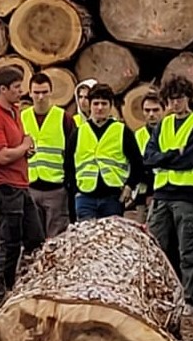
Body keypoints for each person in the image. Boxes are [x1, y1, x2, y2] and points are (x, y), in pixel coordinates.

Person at [143, 75, 193, 306]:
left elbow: (189, 160)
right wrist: (172, 153)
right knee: (157, 247)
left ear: (188, 98)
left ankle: (190, 298)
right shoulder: (164, 123)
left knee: (187, 249)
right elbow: (148, 158)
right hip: (162, 194)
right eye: (171, 99)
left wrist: (164, 158)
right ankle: (162, 295)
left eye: (179, 98)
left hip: (186, 195)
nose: (175, 104)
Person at [0, 64, 42, 296]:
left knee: (36, 237)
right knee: (9, 242)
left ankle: (25, 285)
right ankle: (2, 292)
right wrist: (24, 146)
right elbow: (2, 155)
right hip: (3, 186)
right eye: (16, 87)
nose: (21, 91)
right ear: (3, 89)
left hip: (20, 184)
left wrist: (26, 147)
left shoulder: (15, 112)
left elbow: (19, 142)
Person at [70, 84, 140, 220]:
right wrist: (75, 191)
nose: (100, 108)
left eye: (104, 103)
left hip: (113, 197)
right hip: (85, 197)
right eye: (96, 103)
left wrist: (129, 187)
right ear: (89, 105)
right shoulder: (79, 132)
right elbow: (68, 164)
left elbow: (137, 162)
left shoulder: (122, 131)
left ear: (111, 105)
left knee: (111, 239)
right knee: (86, 239)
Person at [21, 73, 74, 238]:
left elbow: (72, 153)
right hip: (31, 187)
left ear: (51, 92)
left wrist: (69, 184)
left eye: (44, 92)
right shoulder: (22, 117)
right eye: (36, 92)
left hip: (56, 189)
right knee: (32, 238)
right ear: (29, 93)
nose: (40, 97)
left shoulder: (63, 118)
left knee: (56, 239)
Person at [124, 90, 163, 223]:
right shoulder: (138, 135)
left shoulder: (168, 132)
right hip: (142, 194)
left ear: (164, 110)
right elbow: (136, 164)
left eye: (155, 110)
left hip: (165, 192)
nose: (151, 115)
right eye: (147, 110)